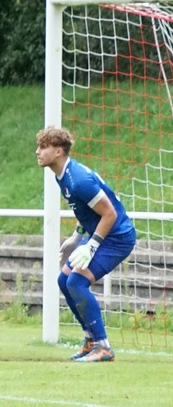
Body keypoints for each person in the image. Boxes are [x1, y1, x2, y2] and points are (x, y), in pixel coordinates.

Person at [37, 126, 135, 362]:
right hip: (103, 235)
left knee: (77, 282)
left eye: (43, 147)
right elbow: (85, 210)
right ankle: (90, 340)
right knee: (64, 280)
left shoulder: (78, 180)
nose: (37, 152)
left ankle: (103, 347)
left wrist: (91, 245)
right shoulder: (62, 175)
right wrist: (77, 236)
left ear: (58, 151)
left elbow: (109, 214)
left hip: (117, 238)